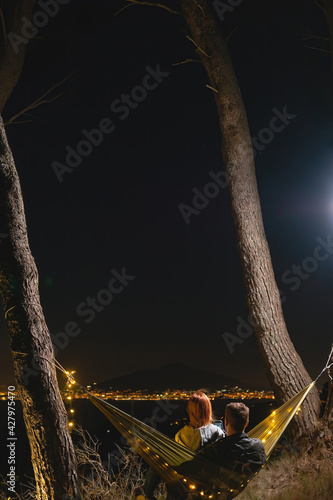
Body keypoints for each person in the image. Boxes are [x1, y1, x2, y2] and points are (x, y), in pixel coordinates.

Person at [137, 390, 224, 500]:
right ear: (208, 410)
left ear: (189, 411)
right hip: (209, 487)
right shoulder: (218, 433)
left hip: (182, 489)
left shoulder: (182, 435)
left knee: (158, 459)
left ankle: (146, 494)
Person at [173, 402, 267, 499]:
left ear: (226, 421)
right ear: (246, 423)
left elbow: (189, 467)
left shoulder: (215, 450)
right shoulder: (258, 446)